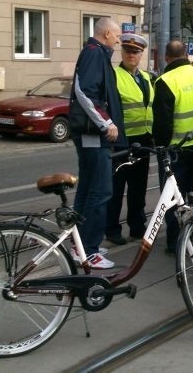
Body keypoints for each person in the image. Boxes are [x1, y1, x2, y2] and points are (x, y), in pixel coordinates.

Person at [68, 17, 126, 269]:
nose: (118, 39)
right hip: (93, 134)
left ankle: (79, 245)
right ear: (104, 35)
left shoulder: (97, 53)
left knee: (88, 189)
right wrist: (107, 123)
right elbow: (85, 92)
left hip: (91, 134)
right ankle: (89, 251)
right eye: (116, 35)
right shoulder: (94, 53)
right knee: (100, 191)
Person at [152, 40, 193, 254]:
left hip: (176, 150)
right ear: (186, 56)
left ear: (166, 58)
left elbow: (162, 123)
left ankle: (176, 242)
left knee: (172, 198)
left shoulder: (165, 81)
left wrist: (160, 147)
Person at [106, 33, 155, 245]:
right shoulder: (114, 75)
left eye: (135, 52)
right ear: (122, 52)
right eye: (127, 51)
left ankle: (137, 226)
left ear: (141, 54)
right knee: (116, 189)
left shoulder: (145, 77)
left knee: (138, 188)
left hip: (143, 141)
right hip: (122, 142)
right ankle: (112, 229)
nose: (131, 55)